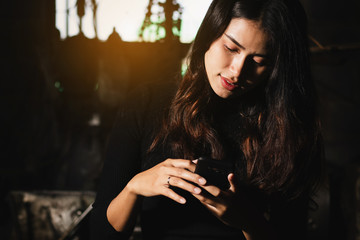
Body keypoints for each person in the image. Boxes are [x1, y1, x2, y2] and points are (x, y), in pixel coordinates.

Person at [90, 0, 323, 239]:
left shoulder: (287, 129)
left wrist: (248, 221)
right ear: (210, 35)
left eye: (258, 61)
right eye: (231, 48)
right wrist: (134, 188)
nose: (237, 71)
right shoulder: (146, 104)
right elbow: (99, 234)